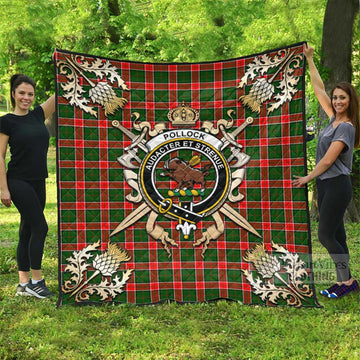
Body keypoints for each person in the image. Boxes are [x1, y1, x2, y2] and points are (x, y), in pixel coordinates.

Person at [292, 44, 360, 298]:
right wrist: (309, 59)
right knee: (338, 236)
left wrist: (308, 177)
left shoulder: (347, 127)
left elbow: (329, 159)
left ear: (351, 100)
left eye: (343, 98)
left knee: (325, 235)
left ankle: (347, 281)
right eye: (336, 98)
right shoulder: (334, 119)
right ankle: (346, 282)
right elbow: (319, 89)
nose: (337, 101)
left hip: (337, 185)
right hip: (326, 185)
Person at [0, 74, 55, 298]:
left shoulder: (38, 115)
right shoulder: (6, 121)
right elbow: (0, 156)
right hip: (17, 181)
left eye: (30, 94)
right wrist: (3, 189)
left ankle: (23, 284)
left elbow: (60, 92)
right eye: (21, 93)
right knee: (41, 227)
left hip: (38, 180)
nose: (26, 97)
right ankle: (37, 281)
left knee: (27, 229)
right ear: (13, 94)